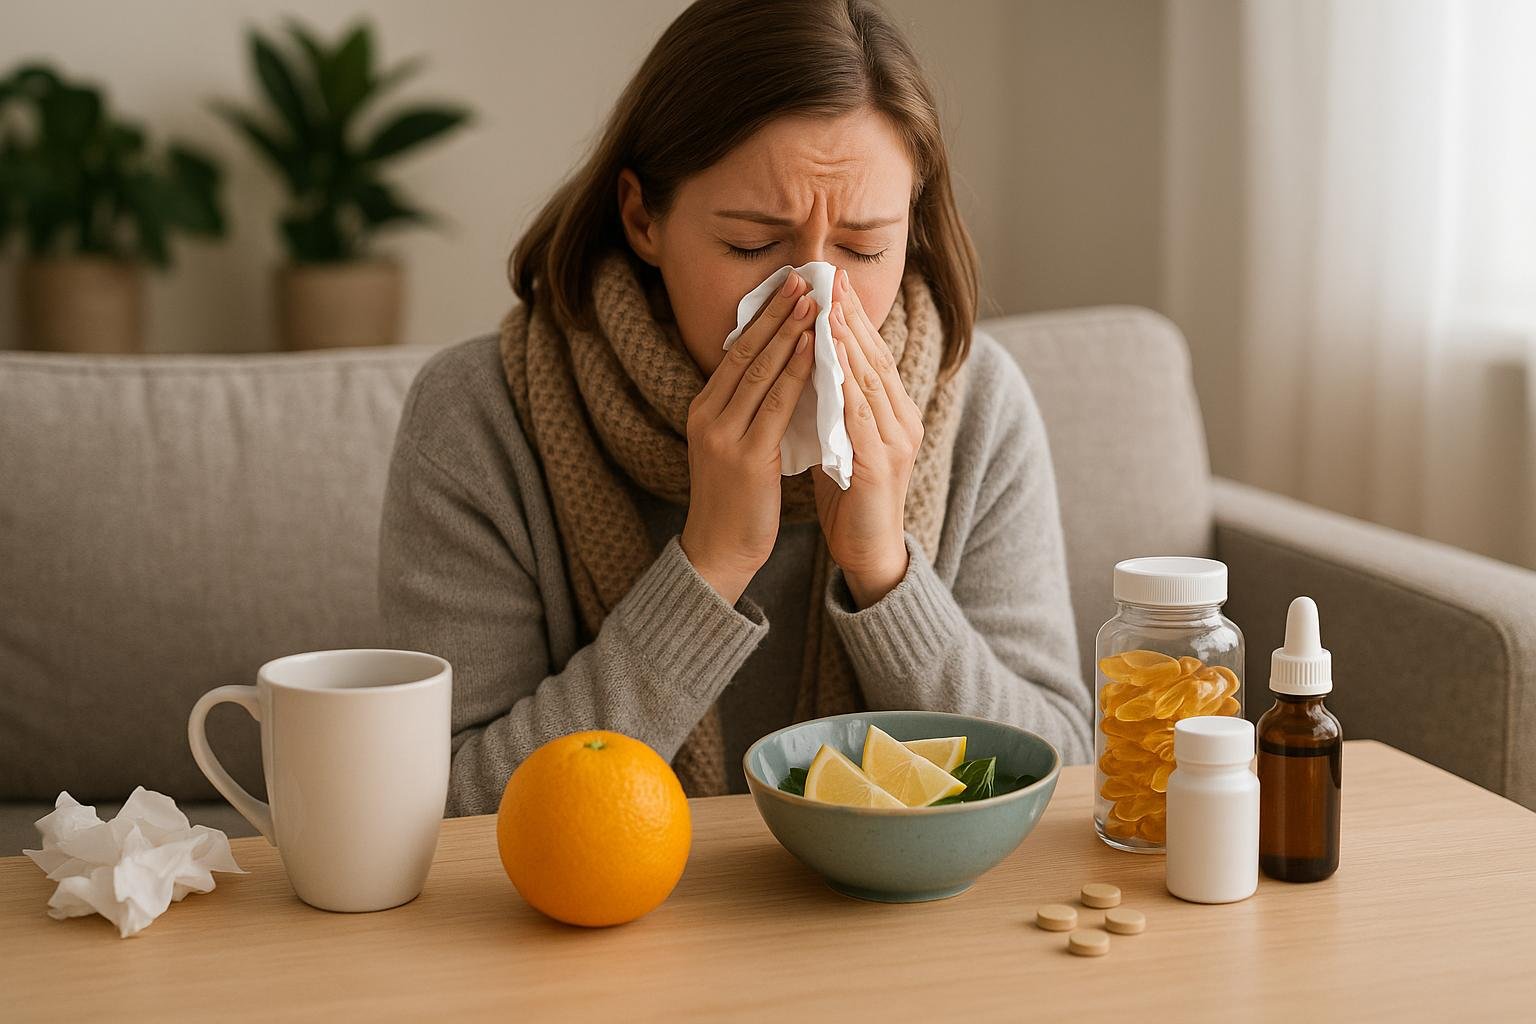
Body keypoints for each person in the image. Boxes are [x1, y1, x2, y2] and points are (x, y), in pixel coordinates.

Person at [378, 0, 1091, 814]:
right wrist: (708, 568)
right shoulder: (480, 417)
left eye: (863, 248)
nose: (813, 298)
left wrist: (887, 574)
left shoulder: (979, 406)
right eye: (752, 245)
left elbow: (1066, 774)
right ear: (644, 217)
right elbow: (449, 805)